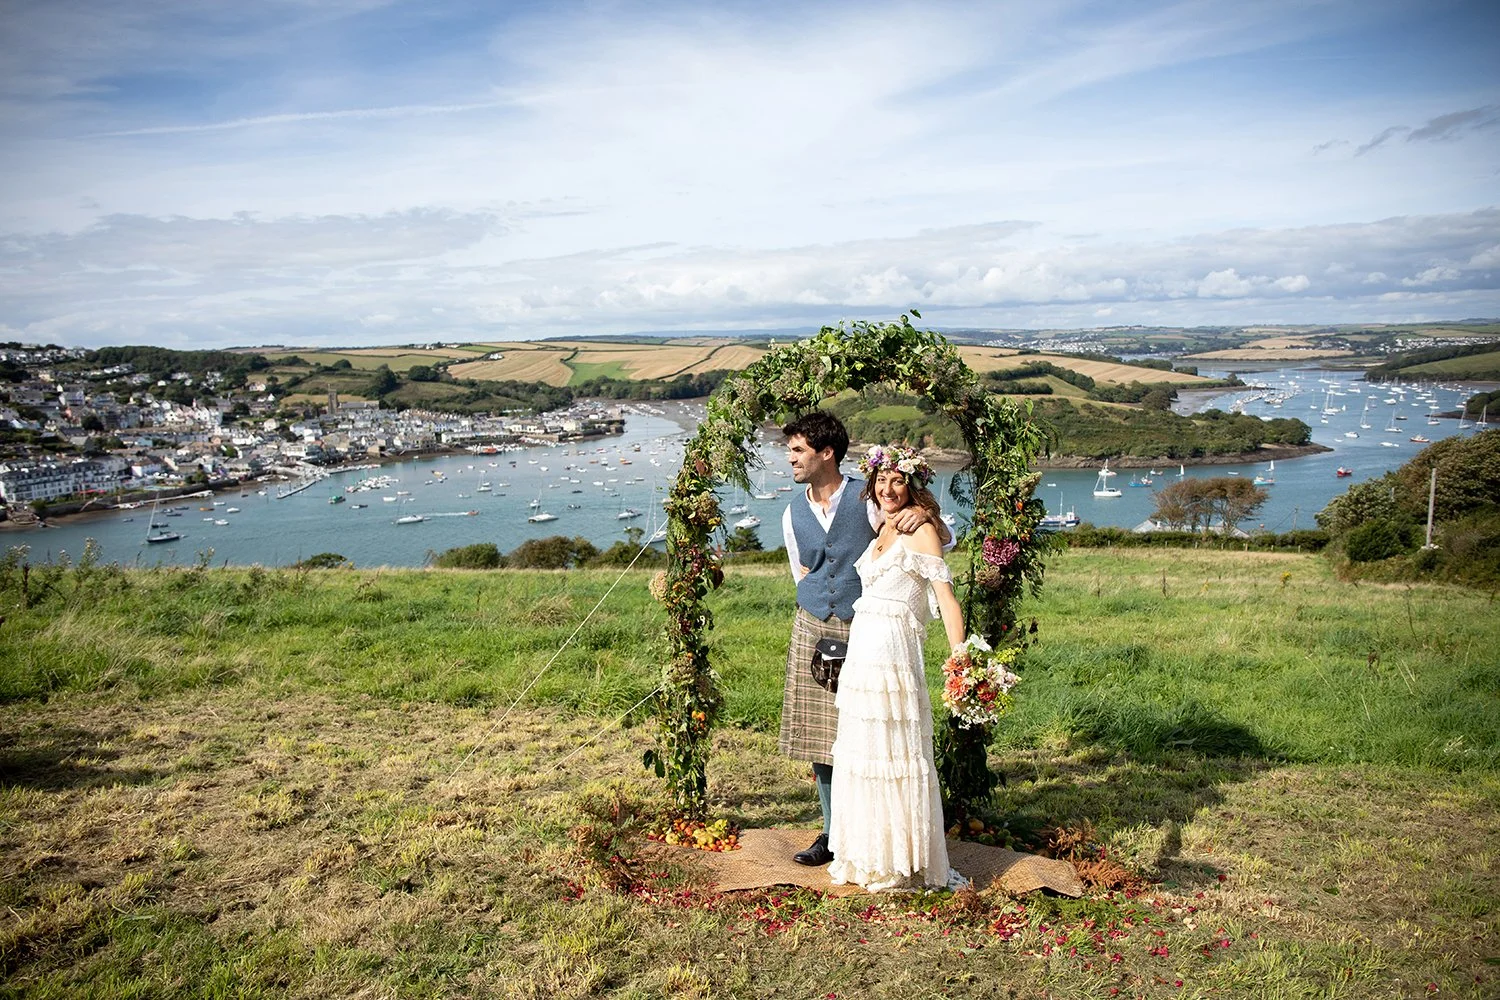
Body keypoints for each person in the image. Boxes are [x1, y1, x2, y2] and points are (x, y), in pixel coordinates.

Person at [778, 412, 945, 867]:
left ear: (826, 453)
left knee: (864, 735)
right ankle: (832, 835)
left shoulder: (868, 497)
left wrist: (920, 511)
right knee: (821, 742)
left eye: (797, 450)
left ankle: (874, 831)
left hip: (865, 630)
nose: (790, 458)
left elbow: (918, 539)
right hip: (813, 623)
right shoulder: (792, 513)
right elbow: (803, 570)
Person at [826, 444, 967, 891]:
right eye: (881, 481)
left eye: (898, 481)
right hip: (863, 651)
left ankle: (900, 860)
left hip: (893, 655)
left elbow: (945, 598)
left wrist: (961, 658)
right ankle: (868, 854)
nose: (888, 489)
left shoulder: (920, 530)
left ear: (912, 484)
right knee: (864, 752)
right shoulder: (879, 527)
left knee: (894, 754)